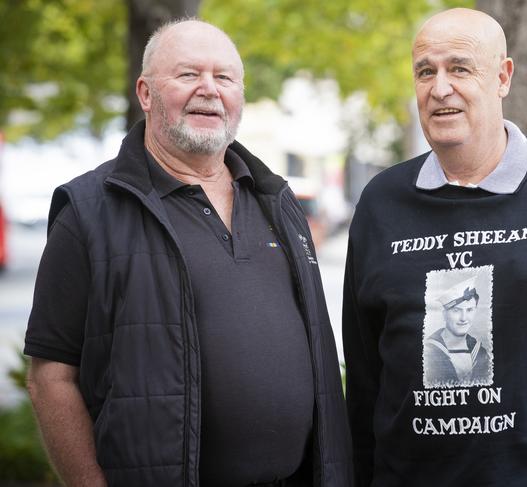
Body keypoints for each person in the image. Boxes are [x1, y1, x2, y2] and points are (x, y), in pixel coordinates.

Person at [24, 19, 352, 487]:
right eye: (187, 75)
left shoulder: (277, 201)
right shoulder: (88, 212)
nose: (209, 90)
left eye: (224, 78)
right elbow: (50, 378)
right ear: (145, 93)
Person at [343, 7, 527, 487]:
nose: (440, 87)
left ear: (503, 77)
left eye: (460, 68)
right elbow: (364, 386)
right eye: (426, 71)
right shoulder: (381, 203)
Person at [423, 276, 489, 387]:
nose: (464, 318)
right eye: (456, 310)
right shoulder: (430, 351)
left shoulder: (480, 352)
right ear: (444, 314)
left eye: (469, 310)